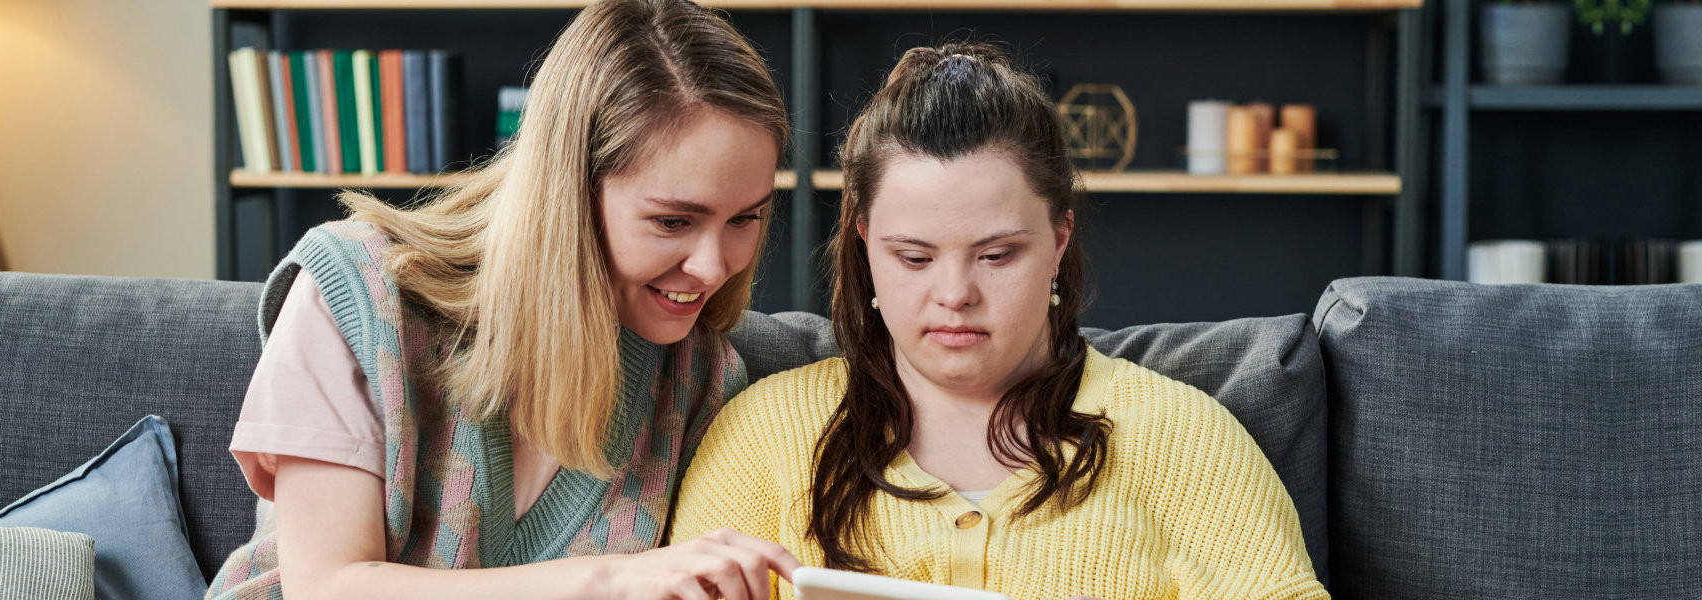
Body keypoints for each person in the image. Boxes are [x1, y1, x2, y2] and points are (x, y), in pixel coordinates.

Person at [670, 42, 1328, 600]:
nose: (955, 294)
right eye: (915, 257)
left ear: (1059, 239)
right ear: (866, 245)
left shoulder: (1183, 441)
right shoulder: (765, 437)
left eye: (996, 255)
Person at [207, 1, 802, 598]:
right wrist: (607, 580)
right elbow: (326, 586)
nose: (714, 266)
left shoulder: (701, 378)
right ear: (567, 192)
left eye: (744, 218)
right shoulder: (356, 292)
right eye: (673, 222)